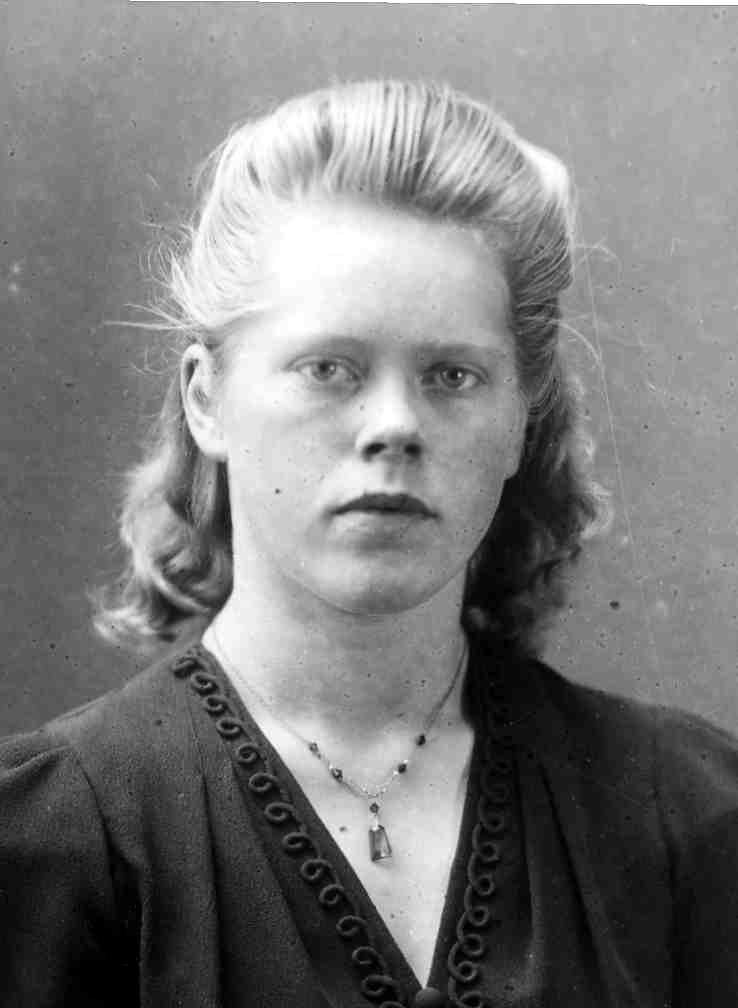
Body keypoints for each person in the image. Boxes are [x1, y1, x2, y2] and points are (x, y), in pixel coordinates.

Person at [1, 79, 736, 1008]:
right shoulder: (53, 847)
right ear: (207, 400)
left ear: (520, 419)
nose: (394, 425)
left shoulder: (687, 815)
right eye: (329, 369)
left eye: (452, 375)